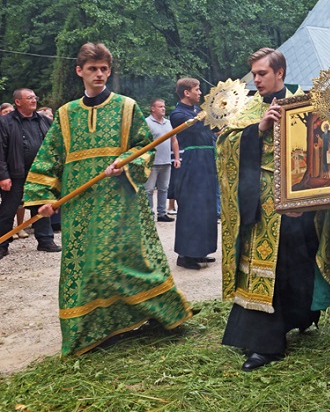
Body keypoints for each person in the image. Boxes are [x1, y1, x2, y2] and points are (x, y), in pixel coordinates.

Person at [25, 43, 191, 355]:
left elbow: (144, 145)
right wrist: (42, 199)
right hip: (80, 206)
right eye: (92, 69)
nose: (99, 74)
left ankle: (160, 313)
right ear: (80, 72)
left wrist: (126, 161)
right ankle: (91, 330)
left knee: (125, 262)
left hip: (122, 201)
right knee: (87, 267)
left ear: (109, 71)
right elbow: (48, 159)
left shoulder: (127, 108)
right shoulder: (65, 114)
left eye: (104, 69)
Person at [216, 48, 330, 371]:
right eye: (254, 75)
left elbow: (327, 147)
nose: (256, 80)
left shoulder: (306, 102)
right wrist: (257, 129)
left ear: (280, 73)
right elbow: (224, 146)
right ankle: (266, 343)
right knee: (264, 268)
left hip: (300, 202)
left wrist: (305, 197)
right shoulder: (247, 108)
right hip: (260, 203)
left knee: (295, 262)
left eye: (262, 74)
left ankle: (297, 317)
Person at [0, 88, 61, 259]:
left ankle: (46, 240)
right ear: (18, 102)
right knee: (7, 209)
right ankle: (1, 243)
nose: (34, 100)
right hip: (15, 174)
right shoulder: (5, 122)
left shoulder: (43, 120)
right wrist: (3, 176)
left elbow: (54, 145)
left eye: (35, 97)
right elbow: (0, 151)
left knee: (41, 206)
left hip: (39, 174)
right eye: (29, 98)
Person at [169, 78, 219, 270]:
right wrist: (212, 112)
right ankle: (185, 255)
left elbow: (213, 128)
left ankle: (201, 250)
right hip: (192, 161)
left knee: (206, 206)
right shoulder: (178, 114)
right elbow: (197, 127)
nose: (200, 92)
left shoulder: (198, 111)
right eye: (196, 89)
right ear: (186, 93)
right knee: (192, 206)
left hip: (206, 159)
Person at [144, 98, 180, 222]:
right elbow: (143, 143)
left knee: (164, 188)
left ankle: (161, 213)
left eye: (163, 106)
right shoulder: (146, 123)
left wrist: (176, 158)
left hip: (166, 161)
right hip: (152, 162)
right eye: (160, 106)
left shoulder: (168, 123)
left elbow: (174, 140)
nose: (163, 108)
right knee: (149, 189)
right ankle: (149, 214)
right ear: (152, 108)